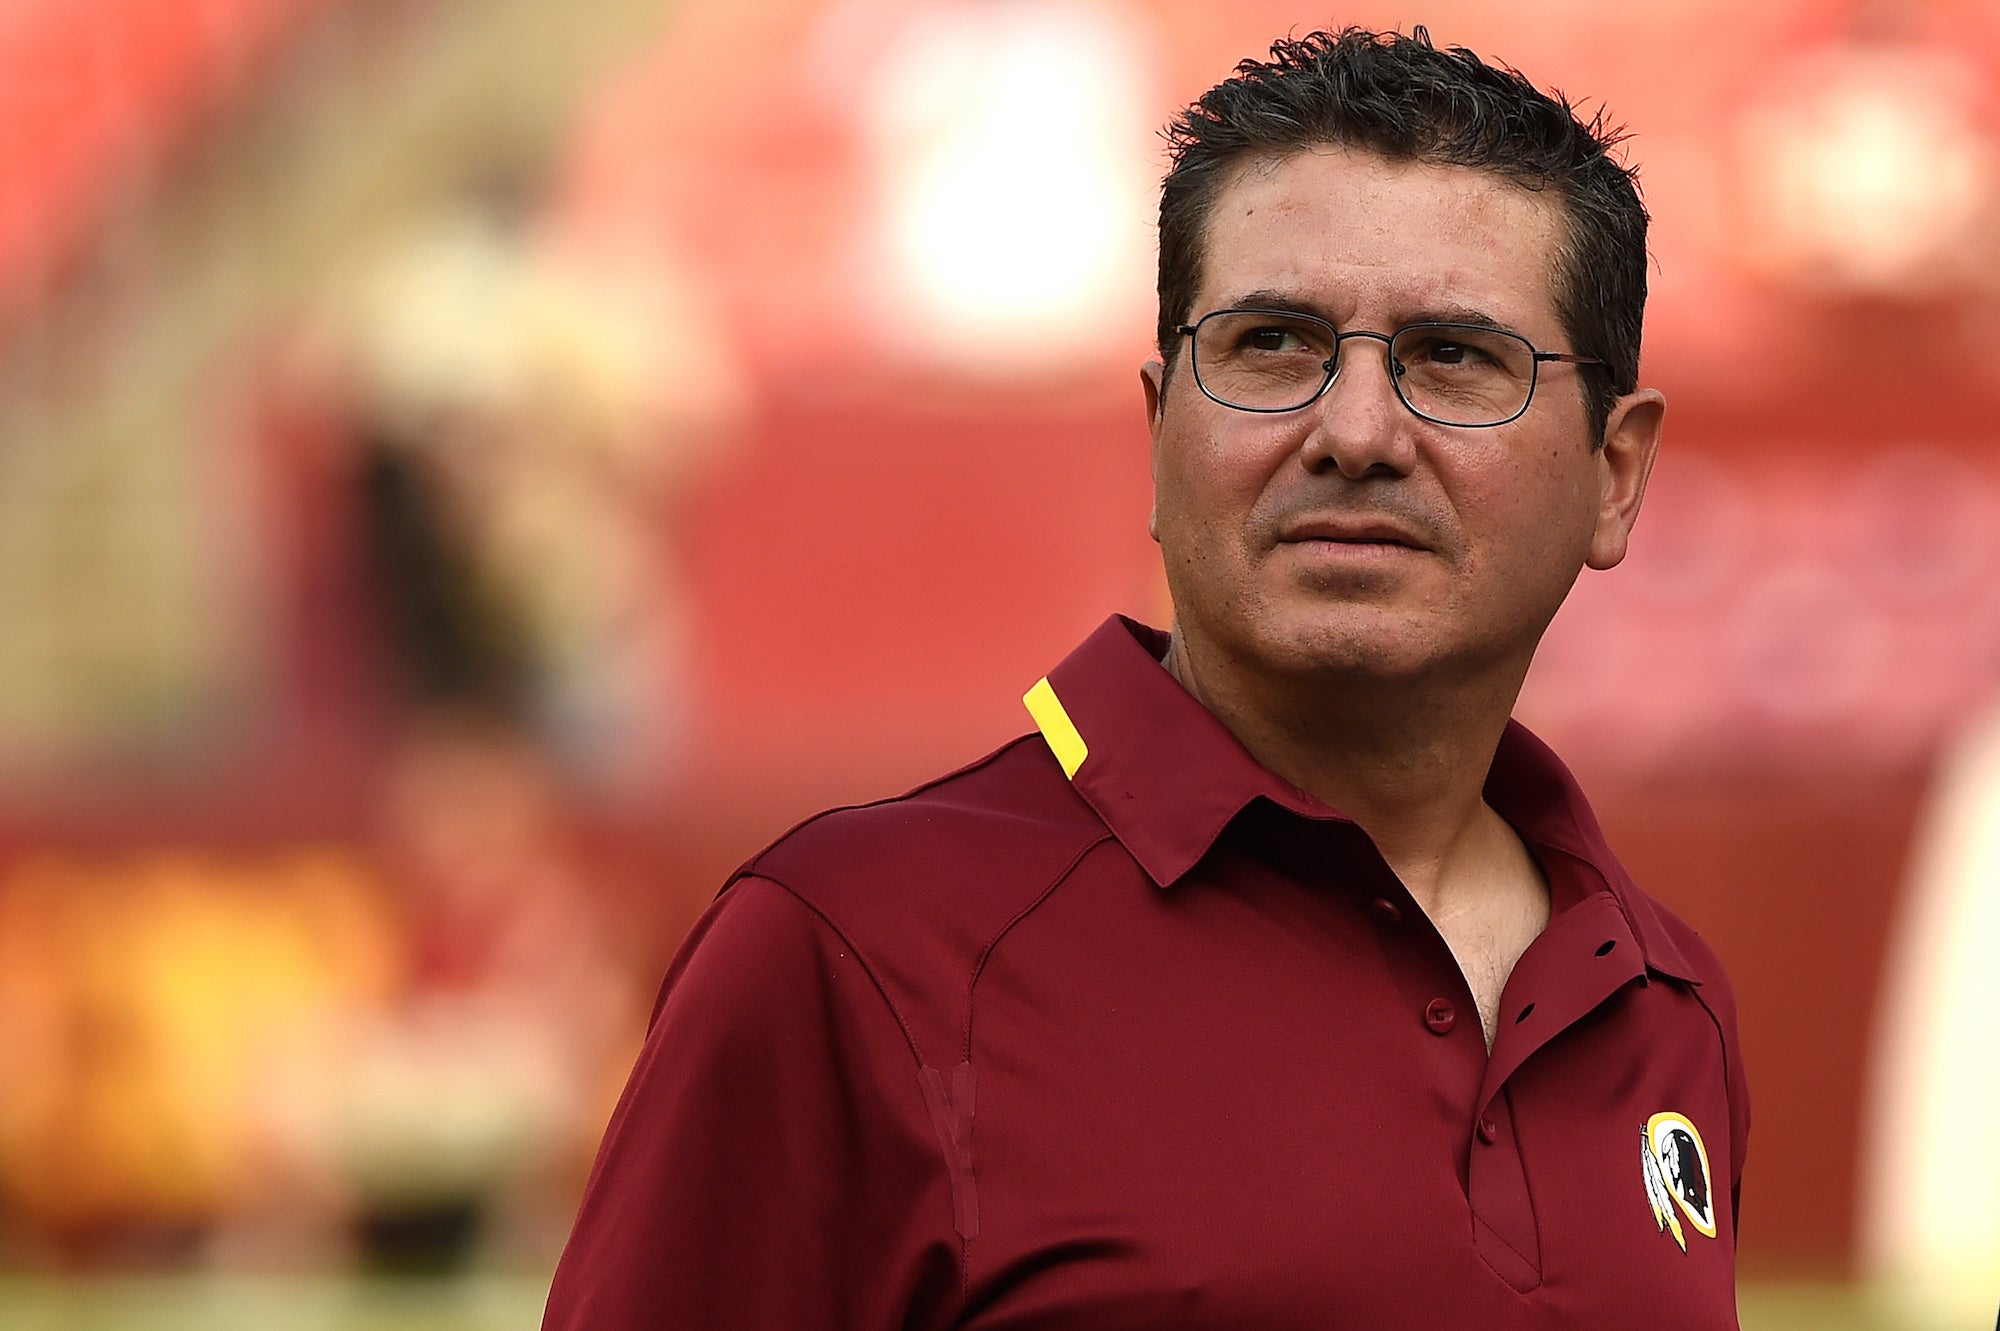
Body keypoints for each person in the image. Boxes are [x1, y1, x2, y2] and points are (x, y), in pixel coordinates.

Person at [543, 26, 1748, 1329]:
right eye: (1273, 344)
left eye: (1455, 357)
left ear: (1616, 476)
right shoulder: (856, 951)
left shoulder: (1660, 998)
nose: (1354, 433)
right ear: (1160, 421)